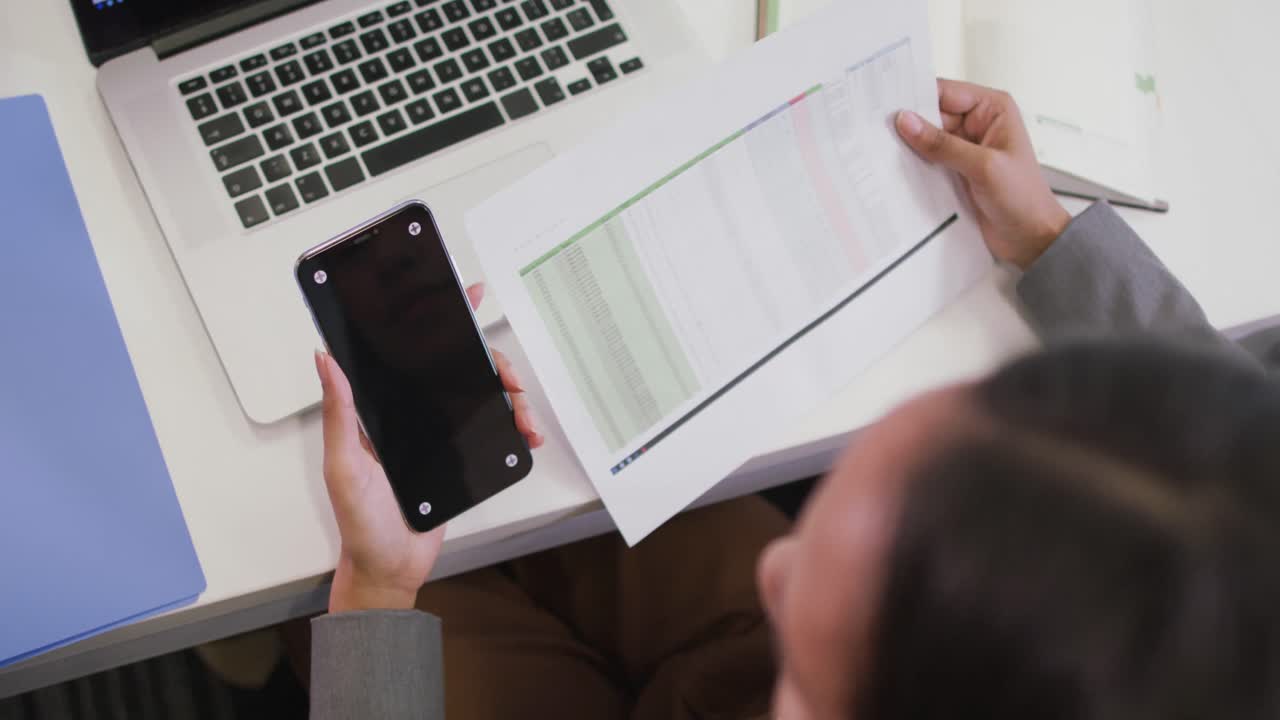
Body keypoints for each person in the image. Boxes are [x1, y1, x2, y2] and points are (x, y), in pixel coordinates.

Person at [303, 80, 1280, 719]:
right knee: (539, 525)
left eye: (820, 671)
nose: (776, 559)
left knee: (398, 591)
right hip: (720, 680)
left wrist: (373, 595)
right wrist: (1045, 240)